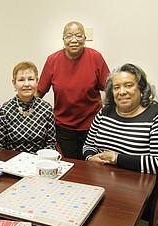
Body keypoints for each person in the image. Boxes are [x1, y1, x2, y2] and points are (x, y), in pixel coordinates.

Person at [83, 63, 158, 220]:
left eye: (128, 85)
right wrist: (90, 157)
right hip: (105, 179)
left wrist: (116, 159)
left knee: (109, 211)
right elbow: (88, 145)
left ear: (141, 88)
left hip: (143, 185)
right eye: (116, 87)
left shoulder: (157, 115)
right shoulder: (105, 112)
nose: (122, 92)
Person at [36, 21, 110, 160]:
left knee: (90, 165)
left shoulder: (95, 57)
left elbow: (110, 90)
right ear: (63, 40)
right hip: (63, 126)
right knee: (69, 164)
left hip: (92, 125)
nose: (74, 40)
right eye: (69, 36)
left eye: (78, 36)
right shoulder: (52, 60)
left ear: (85, 39)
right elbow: (39, 92)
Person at [0, 61, 56, 153]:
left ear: (37, 82)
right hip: (12, 163)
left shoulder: (46, 108)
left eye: (30, 79)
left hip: (40, 162)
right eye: (21, 80)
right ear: (14, 83)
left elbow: (51, 144)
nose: (26, 84)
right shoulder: (4, 110)